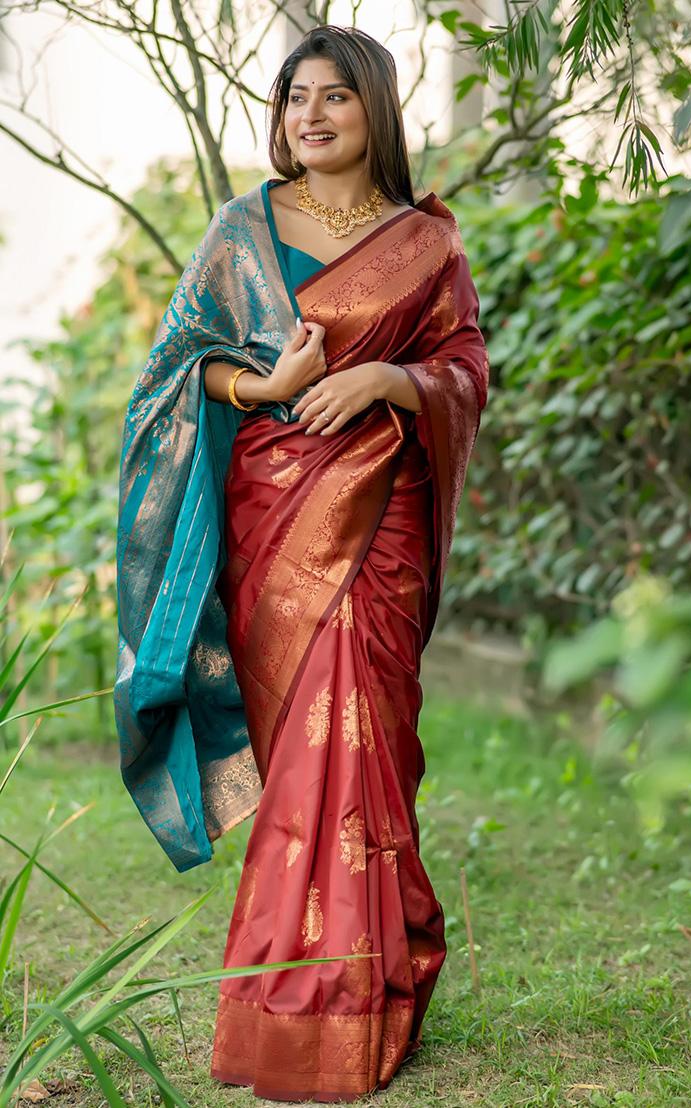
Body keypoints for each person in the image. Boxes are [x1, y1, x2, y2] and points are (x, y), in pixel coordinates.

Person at [113, 23, 489, 1104]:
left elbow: (462, 368)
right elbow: (168, 380)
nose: (310, 115)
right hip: (274, 515)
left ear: (375, 108)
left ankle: (354, 991)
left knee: (368, 739)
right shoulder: (242, 230)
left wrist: (385, 385)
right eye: (293, 98)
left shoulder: (427, 241)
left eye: (334, 96)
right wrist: (268, 390)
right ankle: (318, 990)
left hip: (386, 520)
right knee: (311, 751)